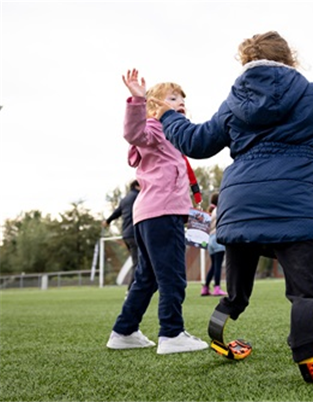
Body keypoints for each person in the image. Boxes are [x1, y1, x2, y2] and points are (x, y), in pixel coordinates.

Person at [154, 26, 313, 382]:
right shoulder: (311, 96)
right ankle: (309, 352)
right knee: (305, 293)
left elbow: (197, 141)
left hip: (240, 209)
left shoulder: (233, 104)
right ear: (289, 58)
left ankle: (221, 323)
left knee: (237, 290)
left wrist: (168, 116)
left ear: (247, 61)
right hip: (296, 207)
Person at [106, 69, 209, 355]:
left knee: (147, 278)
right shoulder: (154, 128)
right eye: (173, 97)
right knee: (173, 276)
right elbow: (133, 132)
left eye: (182, 98)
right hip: (160, 214)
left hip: (152, 214)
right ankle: (172, 333)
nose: (181, 102)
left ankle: (124, 331)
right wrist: (137, 100)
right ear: (155, 105)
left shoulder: (173, 136)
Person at [102, 180, 140, 293]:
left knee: (140, 262)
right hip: (135, 234)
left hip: (127, 235)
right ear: (137, 186)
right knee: (139, 263)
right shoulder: (139, 197)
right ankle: (131, 291)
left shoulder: (125, 199)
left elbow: (116, 212)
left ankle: (139, 289)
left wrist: (107, 221)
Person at [202, 192, 227, 297]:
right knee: (218, 265)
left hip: (210, 240)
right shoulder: (219, 210)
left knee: (213, 265)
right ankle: (217, 287)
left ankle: (205, 288)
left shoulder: (209, 212)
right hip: (217, 238)